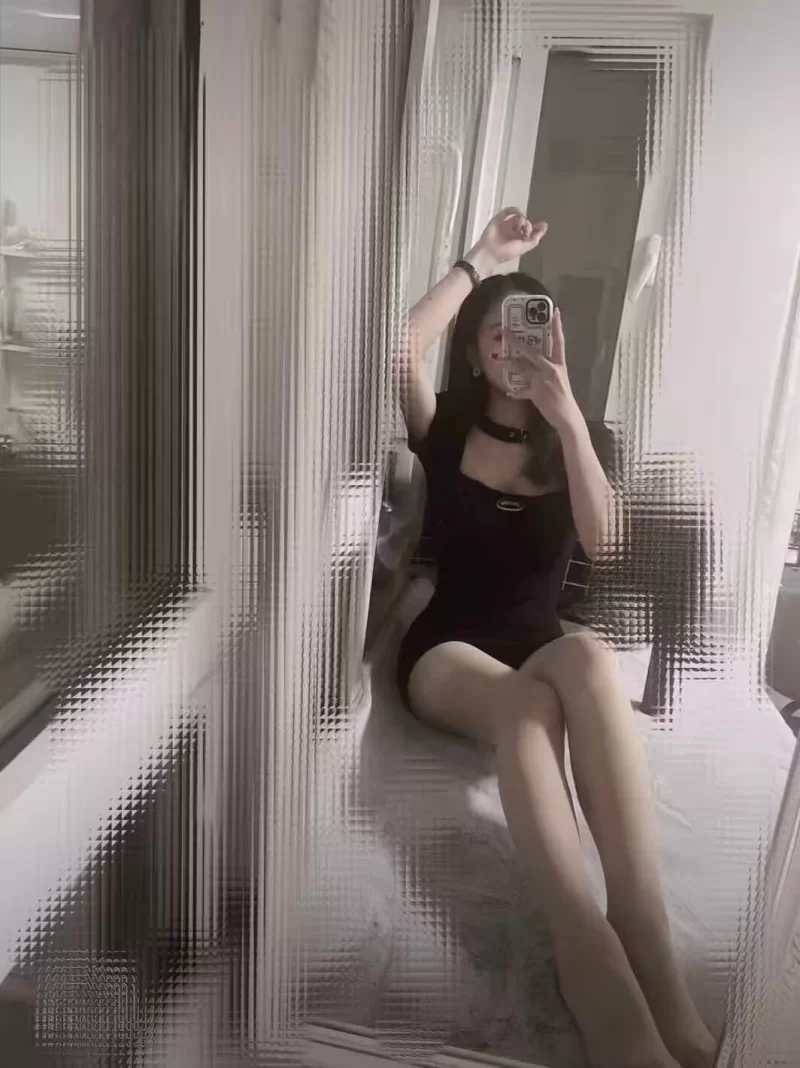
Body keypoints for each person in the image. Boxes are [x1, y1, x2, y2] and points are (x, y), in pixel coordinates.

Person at [396, 207, 717, 1068]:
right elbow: (398, 347)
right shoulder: (447, 427)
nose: (513, 346)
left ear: (554, 343)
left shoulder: (581, 435)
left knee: (590, 655)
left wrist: (569, 418)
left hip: (539, 636)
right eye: (496, 333)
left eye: (529, 330)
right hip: (451, 648)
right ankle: (590, 955)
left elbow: (606, 547)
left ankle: (641, 927)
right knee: (527, 708)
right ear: (474, 353)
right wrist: (481, 258)